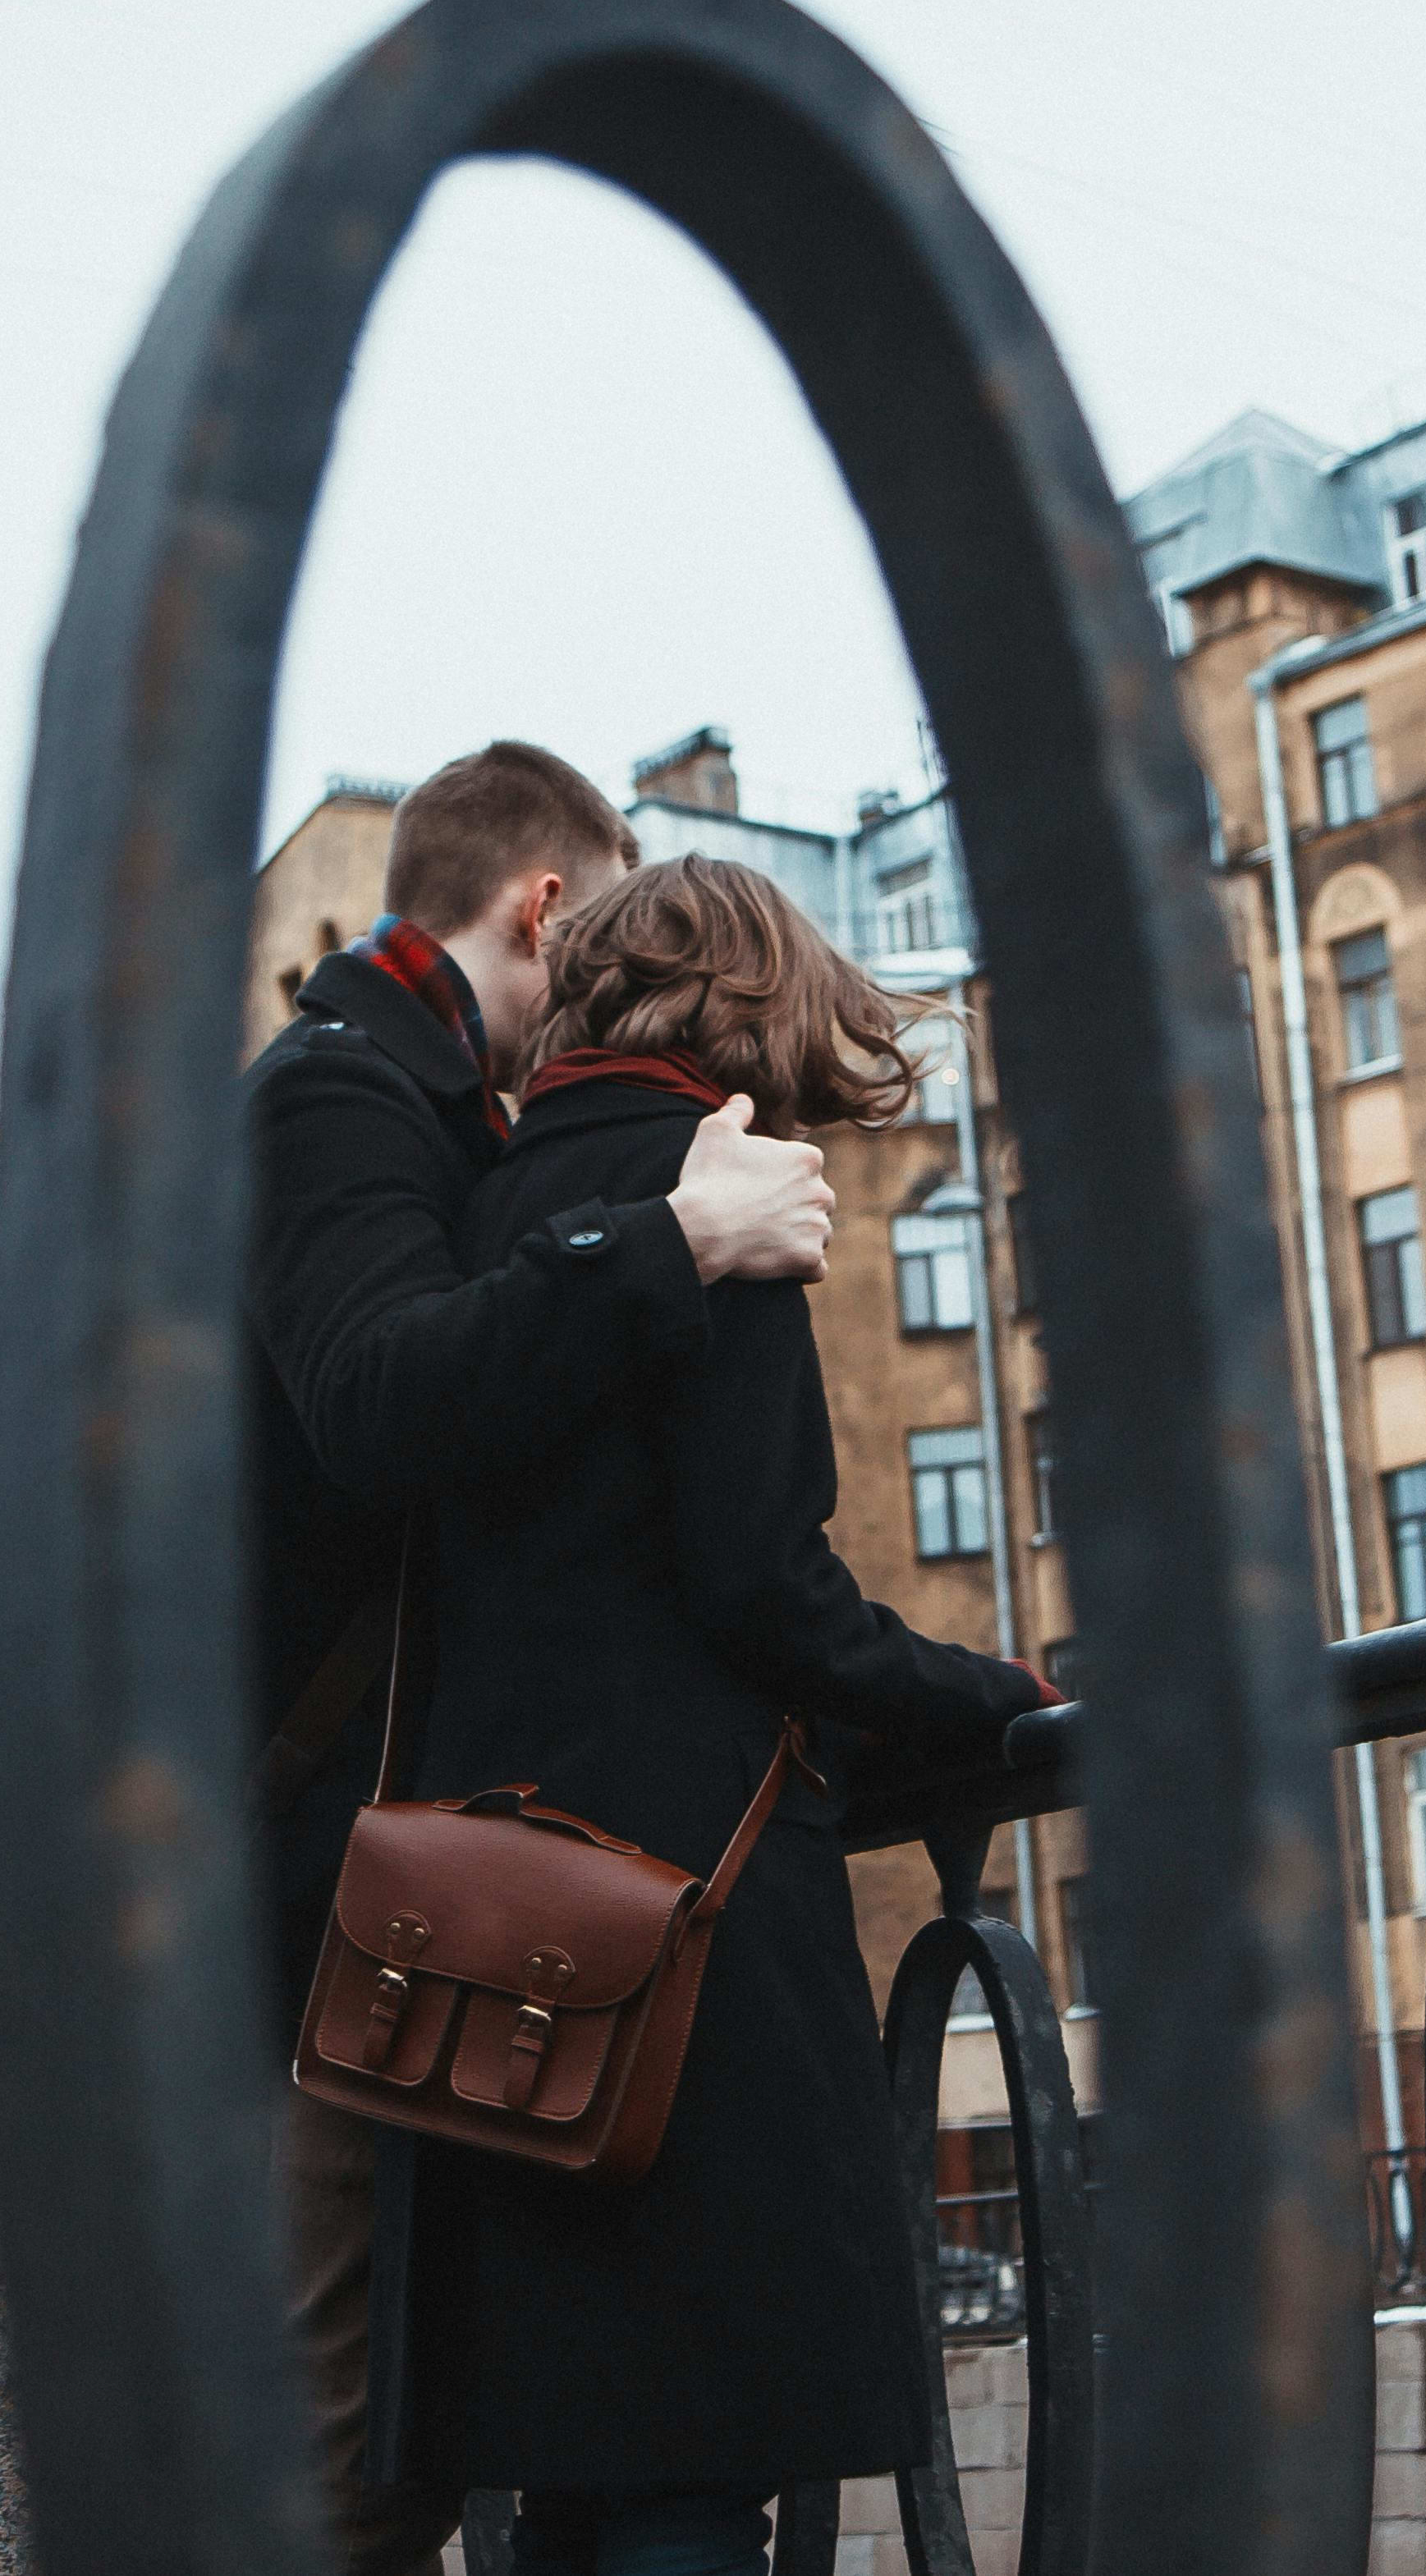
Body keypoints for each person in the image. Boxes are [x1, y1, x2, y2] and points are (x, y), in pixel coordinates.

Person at [394, 857, 1054, 2576]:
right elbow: (762, 1582)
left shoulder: (489, 1200)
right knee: (694, 2463)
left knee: (576, 2471)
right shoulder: (720, 1188)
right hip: (685, 1923)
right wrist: (994, 1695)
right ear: (760, 999)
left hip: (485, 1914)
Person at [242, 744, 838, 2576]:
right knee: (346, 2453)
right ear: (548, 906)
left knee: (430, 2443)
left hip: (419, 1867)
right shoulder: (336, 1089)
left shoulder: (435, 1107)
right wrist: (678, 1235)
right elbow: (378, 1399)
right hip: (330, 1882)